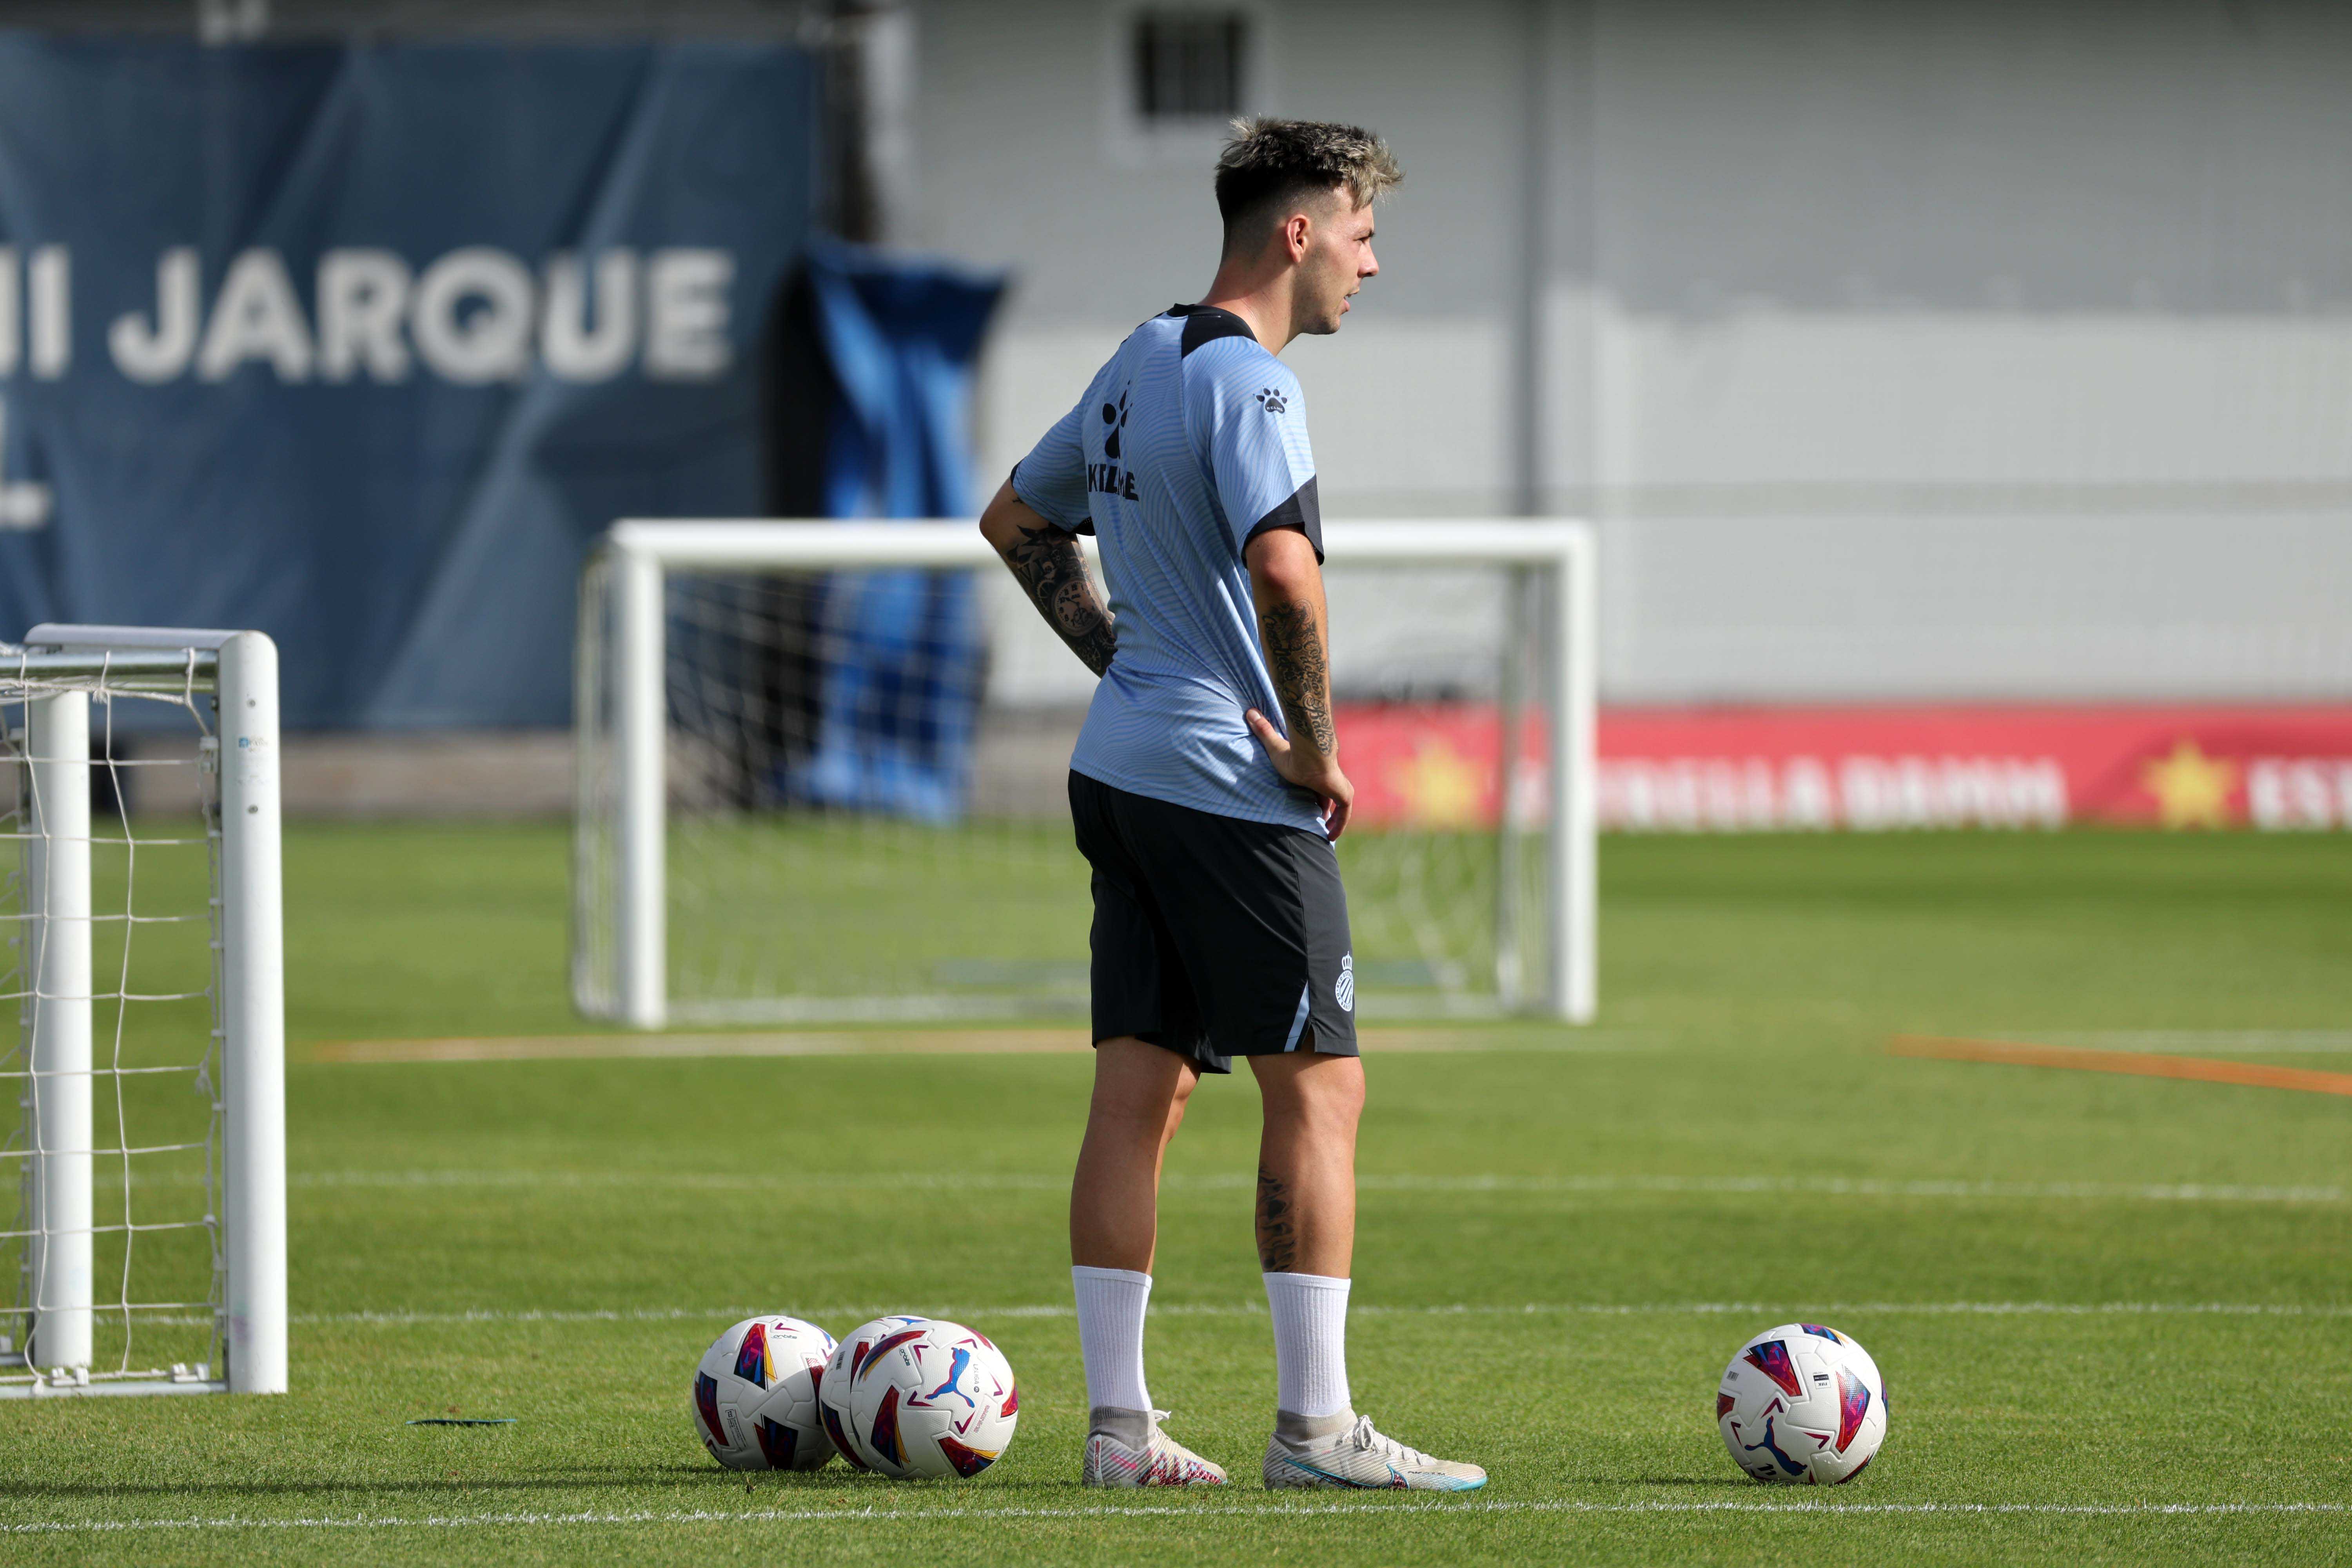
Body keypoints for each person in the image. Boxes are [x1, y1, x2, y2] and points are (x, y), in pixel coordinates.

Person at [978, 118, 1485, 1493]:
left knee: (1135, 1093)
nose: (1372, 266)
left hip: (1121, 769)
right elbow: (1285, 571)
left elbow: (1016, 520)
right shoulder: (1254, 383)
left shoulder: (1141, 357)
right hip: (1228, 789)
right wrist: (1316, 749)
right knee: (1321, 1088)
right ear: (1299, 231)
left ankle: (1119, 1432)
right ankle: (1315, 1434)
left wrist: (1128, 667)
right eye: (1363, 236)